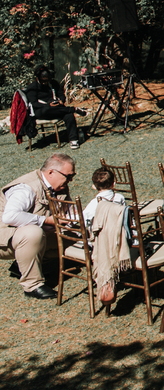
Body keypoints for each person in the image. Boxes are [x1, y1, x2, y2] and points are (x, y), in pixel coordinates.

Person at [0, 152, 75, 298]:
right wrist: (47, 221)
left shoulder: (60, 187)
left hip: (23, 235)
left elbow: (70, 214)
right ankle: (32, 285)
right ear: (51, 172)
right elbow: (10, 216)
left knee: (72, 235)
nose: (71, 180)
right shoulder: (26, 188)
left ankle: (24, 265)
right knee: (33, 233)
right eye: (68, 176)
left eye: (73, 175)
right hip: (4, 236)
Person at [83, 166, 130, 304]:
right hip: (118, 237)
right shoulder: (120, 198)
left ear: (94, 186)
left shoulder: (93, 204)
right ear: (114, 183)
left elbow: (85, 221)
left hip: (100, 240)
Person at [26, 65, 87, 149]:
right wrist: (48, 105)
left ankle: (74, 140)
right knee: (49, 109)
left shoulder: (54, 83)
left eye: (47, 81)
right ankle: (73, 109)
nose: (45, 83)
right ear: (38, 78)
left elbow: (61, 94)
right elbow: (34, 103)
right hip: (42, 111)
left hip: (57, 109)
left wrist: (61, 100)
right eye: (43, 81)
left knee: (69, 115)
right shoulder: (32, 87)